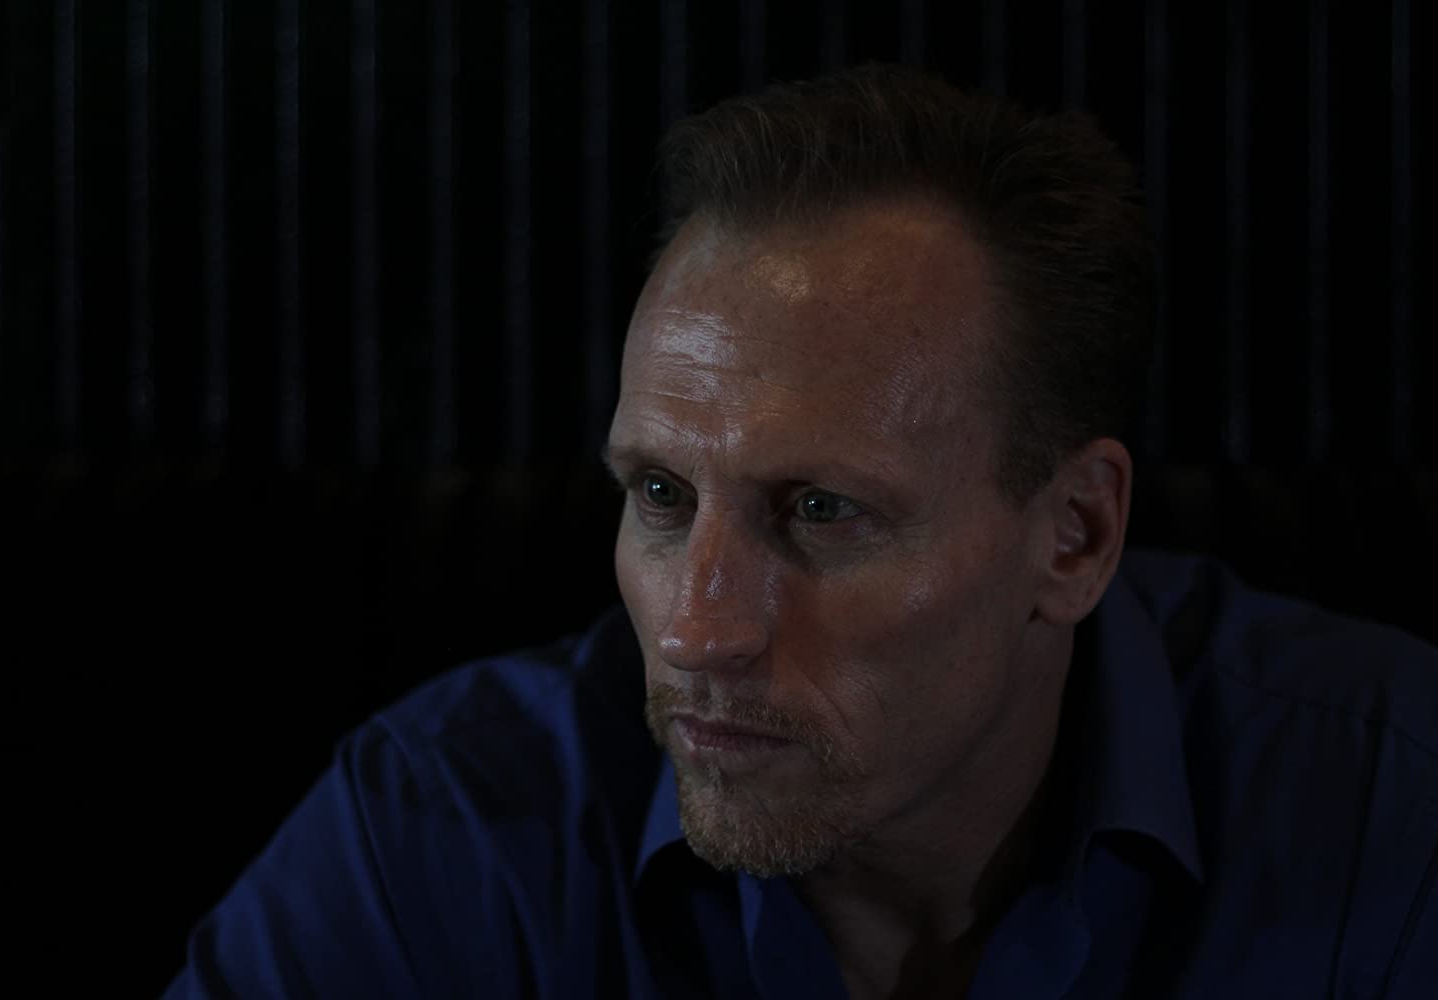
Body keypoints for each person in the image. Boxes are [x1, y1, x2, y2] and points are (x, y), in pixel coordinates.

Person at [163, 64, 1438, 999]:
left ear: (1074, 536)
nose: (697, 629)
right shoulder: (441, 830)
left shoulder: (1394, 800)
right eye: (661, 495)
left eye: (821, 511)